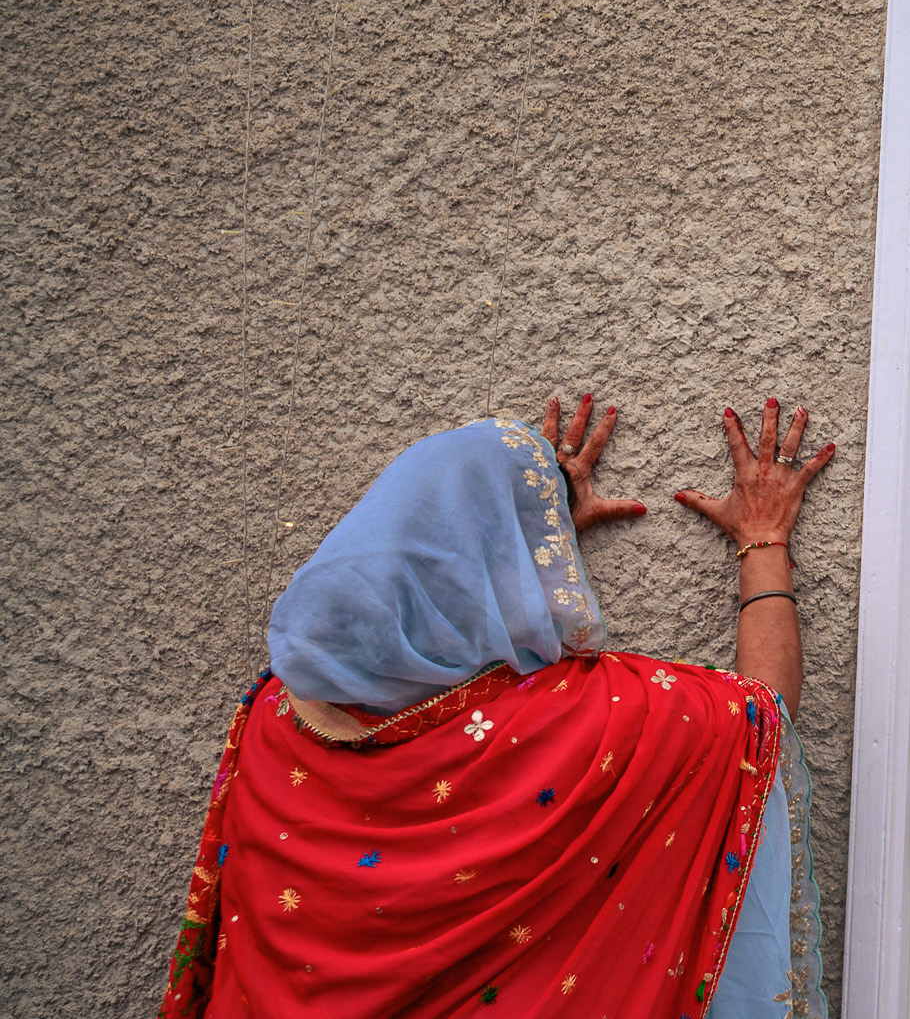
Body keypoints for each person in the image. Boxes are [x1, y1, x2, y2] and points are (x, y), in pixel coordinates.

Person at [161, 395, 836, 1017]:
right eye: (524, 541)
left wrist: (522, 540)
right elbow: (761, 714)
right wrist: (764, 539)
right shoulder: (580, 722)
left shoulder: (275, 723)